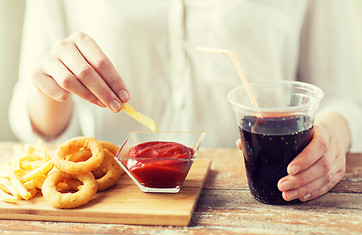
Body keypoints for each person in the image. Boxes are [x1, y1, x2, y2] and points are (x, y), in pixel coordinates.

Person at [9, 0, 362, 203]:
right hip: (116, 200)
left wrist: (335, 134)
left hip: (254, 196)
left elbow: (345, 98)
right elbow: (38, 124)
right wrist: (51, 86)